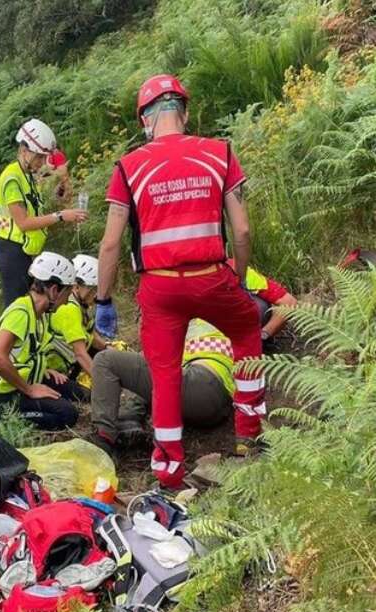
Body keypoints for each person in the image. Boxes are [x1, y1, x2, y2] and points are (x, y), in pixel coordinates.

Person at [95, 74, 265, 489]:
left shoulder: (129, 168)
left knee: (165, 372)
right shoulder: (219, 153)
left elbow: (111, 244)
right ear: (184, 114)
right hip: (212, 276)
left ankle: (168, 470)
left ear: (145, 121)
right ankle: (249, 436)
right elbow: (241, 232)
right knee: (246, 331)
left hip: (160, 287)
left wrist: (102, 300)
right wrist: (238, 281)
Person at [90, 319, 235, 458]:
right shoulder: (226, 320)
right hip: (219, 402)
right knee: (153, 372)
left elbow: (151, 358)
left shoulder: (184, 318)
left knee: (106, 361)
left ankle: (103, 442)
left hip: (200, 383)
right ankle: (129, 420)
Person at [0, 252, 86, 430]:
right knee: (67, 414)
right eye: (67, 292)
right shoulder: (20, 313)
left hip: (16, 380)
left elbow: (27, 352)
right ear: (54, 290)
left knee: (76, 392)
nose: (67, 301)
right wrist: (29, 390)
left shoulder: (39, 315)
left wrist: (44, 369)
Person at [0, 119, 88, 307]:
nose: (41, 162)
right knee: (17, 312)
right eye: (38, 157)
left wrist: (59, 191)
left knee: (34, 308)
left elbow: (34, 208)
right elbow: (24, 223)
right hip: (13, 252)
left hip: (28, 250)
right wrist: (60, 216)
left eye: (44, 157)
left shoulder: (28, 176)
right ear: (23, 150)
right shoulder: (12, 178)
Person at [46, 254, 109, 398]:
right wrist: (105, 384)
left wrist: (107, 348)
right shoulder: (69, 309)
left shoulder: (80, 305)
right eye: (92, 290)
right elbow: (80, 353)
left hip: (67, 365)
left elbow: (90, 336)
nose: (95, 295)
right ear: (76, 286)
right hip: (53, 372)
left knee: (107, 356)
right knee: (86, 395)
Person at [228, 259, 297, 346]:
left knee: (260, 305)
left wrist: (264, 335)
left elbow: (289, 302)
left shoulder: (237, 269)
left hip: (246, 340)